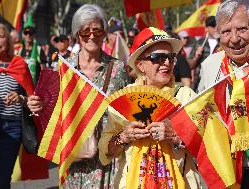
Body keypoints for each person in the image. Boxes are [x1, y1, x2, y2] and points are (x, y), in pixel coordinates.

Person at [27, 4, 129, 188]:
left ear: (104, 33)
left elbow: (126, 111)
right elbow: (53, 108)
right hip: (72, 155)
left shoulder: (118, 69)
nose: (92, 36)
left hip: (105, 159)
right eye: (85, 32)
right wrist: (38, 105)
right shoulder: (64, 68)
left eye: (97, 31)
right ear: (76, 35)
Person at [99, 27, 202, 189]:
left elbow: (205, 147)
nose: (167, 63)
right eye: (158, 58)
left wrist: (175, 136)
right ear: (140, 65)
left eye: (170, 57)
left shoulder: (186, 96)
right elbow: (105, 151)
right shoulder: (124, 99)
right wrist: (124, 137)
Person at [197, 1, 249, 188]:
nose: (234, 39)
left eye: (242, 29)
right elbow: (201, 115)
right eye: (226, 32)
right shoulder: (210, 66)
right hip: (226, 169)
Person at [0, 22, 35, 189]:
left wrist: (21, 98)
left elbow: (33, 99)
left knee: (0, 180)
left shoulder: (20, 64)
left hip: (12, 127)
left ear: (8, 40)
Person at [189, 16, 220, 91]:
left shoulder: (224, 43)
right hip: (201, 83)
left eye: (217, 25)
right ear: (206, 28)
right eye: (213, 25)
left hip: (218, 82)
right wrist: (196, 57)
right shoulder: (199, 44)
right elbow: (190, 65)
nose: (216, 28)